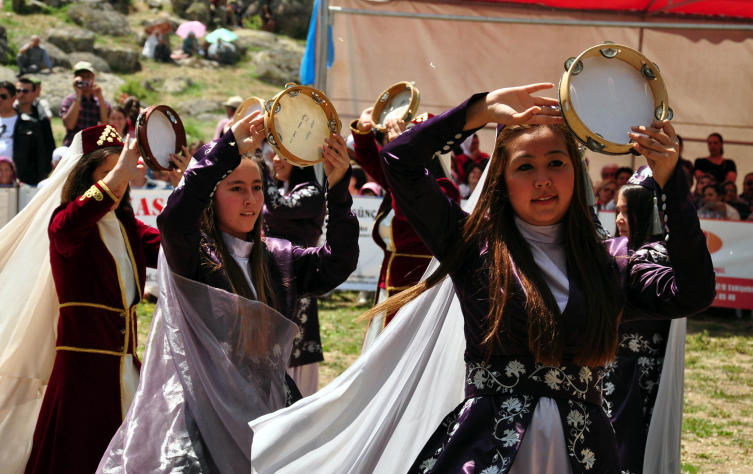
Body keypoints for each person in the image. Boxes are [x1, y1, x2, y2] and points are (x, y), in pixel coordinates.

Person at [95, 112, 358, 472]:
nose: (250, 198)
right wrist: (228, 146)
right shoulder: (195, 258)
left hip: (267, 414)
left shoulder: (279, 257)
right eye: (236, 188)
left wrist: (339, 187)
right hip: (203, 417)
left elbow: (337, 263)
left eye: (256, 187)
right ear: (211, 196)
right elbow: (174, 219)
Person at [24, 126, 161, 474]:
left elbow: (176, 246)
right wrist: (118, 175)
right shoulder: (65, 221)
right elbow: (65, 231)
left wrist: (195, 179)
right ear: (87, 178)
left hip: (127, 371)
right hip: (82, 381)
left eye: (124, 174)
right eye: (109, 174)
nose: (120, 183)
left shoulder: (129, 226)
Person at [349, 107, 461, 352]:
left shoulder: (445, 189)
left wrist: (400, 155)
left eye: (413, 141)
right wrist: (364, 129)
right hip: (389, 283)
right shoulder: (398, 181)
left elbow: (408, 212)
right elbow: (369, 157)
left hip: (419, 289)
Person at [609, 166, 677, 473]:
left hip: (636, 370)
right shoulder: (637, 252)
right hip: (621, 366)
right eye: (617, 211)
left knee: (629, 447)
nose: (619, 219)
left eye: (627, 211)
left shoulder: (653, 257)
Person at [262, 153, 328, 396]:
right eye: (275, 154)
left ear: (301, 161)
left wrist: (260, 166)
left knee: (294, 352)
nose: (276, 159)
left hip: (298, 280)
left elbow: (277, 207)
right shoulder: (282, 188)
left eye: (283, 155)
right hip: (269, 281)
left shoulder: (312, 192)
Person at [0, 81, 48, 185]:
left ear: (13, 98)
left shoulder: (29, 123)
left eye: (3, 96)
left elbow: (40, 156)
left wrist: (37, 182)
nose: (0, 100)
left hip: (21, 182)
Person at [60, 62, 110, 147]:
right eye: (82, 77)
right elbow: (69, 125)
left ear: (93, 78)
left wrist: (100, 97)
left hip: (94, 148)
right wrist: (78, 95)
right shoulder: (69, 101)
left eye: (88, 77)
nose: (85, 80)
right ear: (75, 79)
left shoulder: (101, 102)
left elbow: (105, 124)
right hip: (73, 146)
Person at [15, 78, 56, 165]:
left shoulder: (41, 119)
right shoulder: (8, 116)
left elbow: (49, 145)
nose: (21, 94)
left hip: (34, 172)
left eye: (25, 91)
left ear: (33, 93)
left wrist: (45, 170)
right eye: (18, 90)